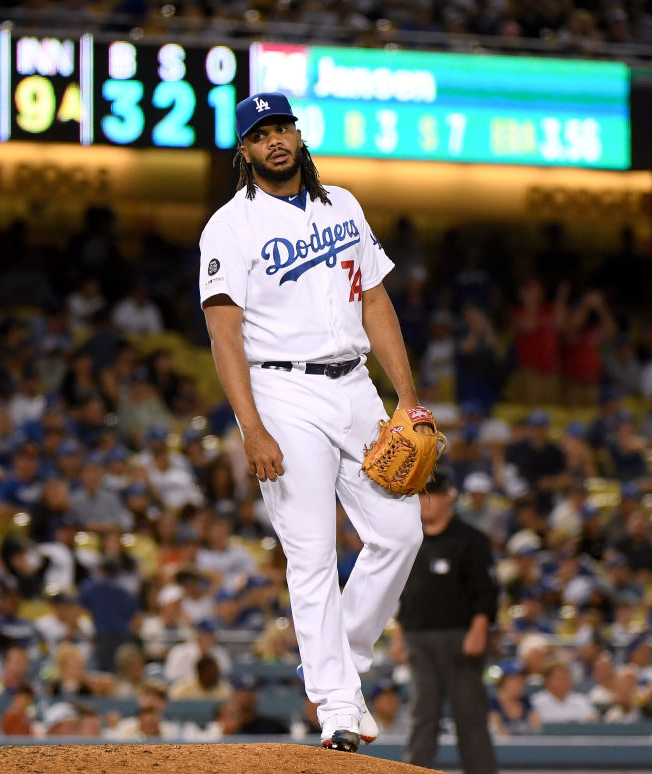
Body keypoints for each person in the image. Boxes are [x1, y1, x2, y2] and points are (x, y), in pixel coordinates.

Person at [198, 91, 428, 752]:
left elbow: (376, 299)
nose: (274, 140)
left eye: (282, 128)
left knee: (401, 532)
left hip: (354, 385)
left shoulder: (345, 205)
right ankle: (335, 706)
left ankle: (343, 659)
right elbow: (224, 334)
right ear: (245, 151)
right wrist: (251, 427)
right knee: (311, 553)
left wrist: (406, 398)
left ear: (298, 136)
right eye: (260, 133)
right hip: (280, 391)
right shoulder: (230, 225)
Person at [393, 471, 498, 774]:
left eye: (433, 495)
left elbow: (486, 591)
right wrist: (400, 634)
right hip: (417, 638)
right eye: (421, 495)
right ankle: (414, 771)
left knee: (470, 716)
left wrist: (479, 629)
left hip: (459, 639)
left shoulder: (471, 540)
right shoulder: (410, 540)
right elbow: (405, 593)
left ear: (448, 497)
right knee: (422, 714)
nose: (426, 502)